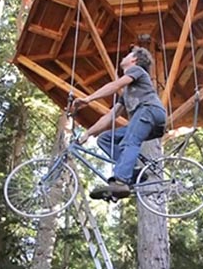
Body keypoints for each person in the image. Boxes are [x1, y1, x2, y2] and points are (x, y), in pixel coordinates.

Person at [71, 46, 166, 200]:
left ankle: (121, 181)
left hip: (149, 111)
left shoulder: (137, 70)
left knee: (130, 141)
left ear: (134, 59)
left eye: (128, 55)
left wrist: (88, 99)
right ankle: (132, 171)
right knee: (105, 139)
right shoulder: (127, 93)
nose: (124, 57)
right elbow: (111, 116)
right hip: (147, 119)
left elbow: (115, 85)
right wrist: (88, 133)